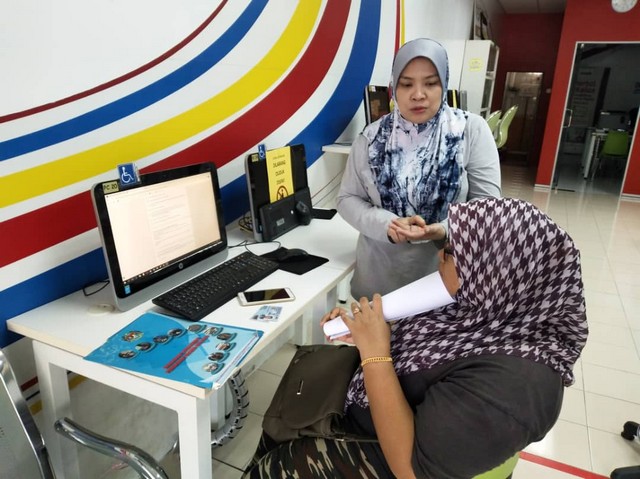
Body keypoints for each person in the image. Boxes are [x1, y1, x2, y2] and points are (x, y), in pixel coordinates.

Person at [244, 197, 588, 478]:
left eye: (451, 252)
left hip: (393, 453)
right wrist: (369, 327)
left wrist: (375, 352)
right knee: (279, 421)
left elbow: (411, 469)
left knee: (275, 466)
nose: (440, 255)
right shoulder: (493, 309)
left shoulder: (513, 390)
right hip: (373, 403)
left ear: (495, 273)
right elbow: (433, 345)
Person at [337, 38, 501, 299]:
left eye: (430, 83)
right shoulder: (371, 138)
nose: (418, 94)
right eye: (406, 84)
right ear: (394, 87)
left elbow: (488, 208)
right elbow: (347, 198)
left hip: (445, 282)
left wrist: (444, 229)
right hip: (379, 281)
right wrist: (389, 225)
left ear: (444, 84)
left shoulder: (469, 131)